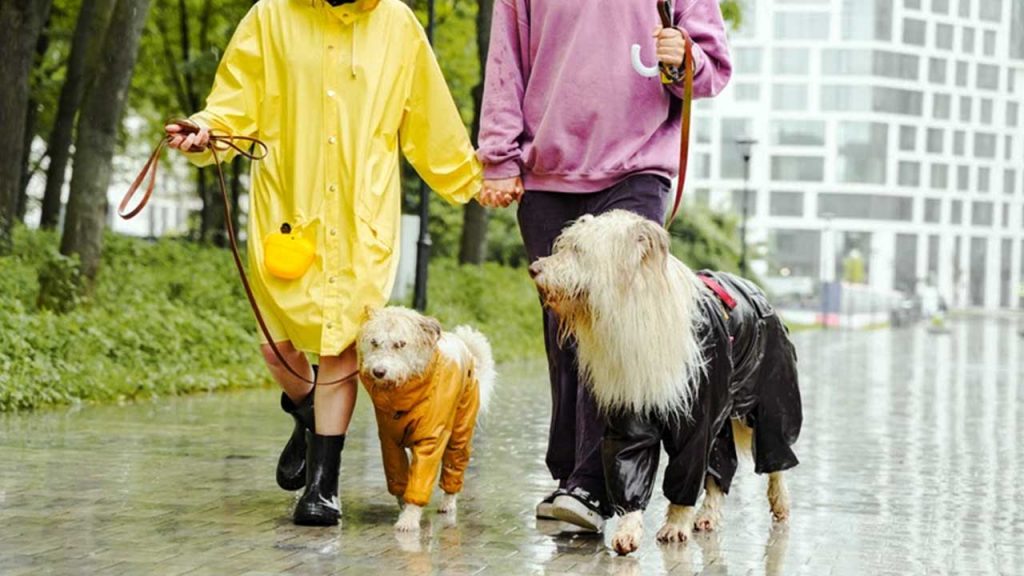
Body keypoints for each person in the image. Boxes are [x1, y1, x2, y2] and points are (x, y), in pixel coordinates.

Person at [167, 0, 486, 526]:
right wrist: (204, 130)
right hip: (289, 211)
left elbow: (431, 119)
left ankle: (323, 488)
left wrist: (477, 180)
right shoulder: (270, 17)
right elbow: (233, 104)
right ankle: (305, 414)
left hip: (361, 217)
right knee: (278, 349)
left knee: (341, 347)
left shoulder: (397, 23)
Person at [477, 0, 732, 531]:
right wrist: (498, 156)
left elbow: (709, 70)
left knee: (620, 327)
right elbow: (505, 60)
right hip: (549, 173)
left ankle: (598, 485)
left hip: (636, 167)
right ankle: (571, 472)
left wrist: (683, 57)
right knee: (565, 330)